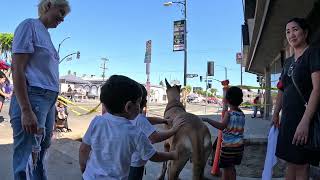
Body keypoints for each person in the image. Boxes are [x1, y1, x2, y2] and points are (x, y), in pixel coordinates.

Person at [10, 0, 71, 179]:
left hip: (48, 100)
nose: (62, 19)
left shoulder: (46, 35)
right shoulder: (30, 25)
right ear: (48, 5)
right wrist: (26, 110)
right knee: (28, 157)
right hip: (34, 97)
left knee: (40, 153)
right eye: (61, 12)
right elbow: (17, 68)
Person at [79, 75, 178, 180]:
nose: (141, 106)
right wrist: (173, 155)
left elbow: (83, 149)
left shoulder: (97, 121)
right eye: (139, 102)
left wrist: (84, 168)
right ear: (129, 107)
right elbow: (153, 156)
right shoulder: (135, 133)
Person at [273, 18, 320, 179]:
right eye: (287, 31)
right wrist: (275, 113)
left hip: (304, 118)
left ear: (305, 32)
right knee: (290, 162)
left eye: (295, 29)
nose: (291, 34)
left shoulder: (313, 53)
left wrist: (305, 121)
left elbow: (317, 89)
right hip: (288, 119)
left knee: (301, 164)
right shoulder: (287, 62)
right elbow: (281, 89)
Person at [128, 84, 185, 180]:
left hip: (127, 162)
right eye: (144, 99)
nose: (146, 102)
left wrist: (163, 120)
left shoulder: (128, 117)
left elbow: (146, 120)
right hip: (135, 165)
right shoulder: (139, 119)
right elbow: (155, 137)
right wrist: (173, 130)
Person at [202, 86, 245, 180]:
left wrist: (207, 120)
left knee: (225, 169)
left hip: (229, 148)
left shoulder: (228, 114)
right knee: (232, 168)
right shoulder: (242, 114)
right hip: (239, 147)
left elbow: (222, 126)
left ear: (228, 100)